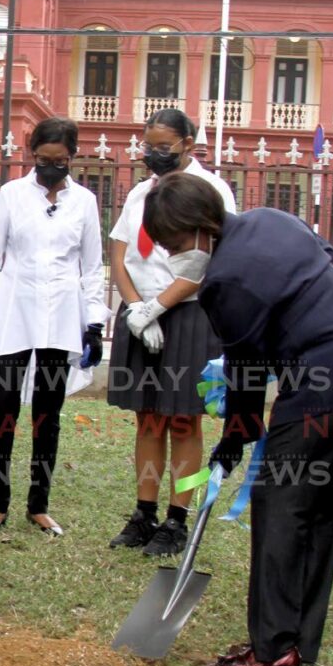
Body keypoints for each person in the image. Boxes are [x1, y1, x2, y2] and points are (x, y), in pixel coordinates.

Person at [142, 172, 333, 666]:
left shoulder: (223, 282)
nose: (174, 255)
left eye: (174, 244)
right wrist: (239, 431)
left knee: (279, 500)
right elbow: (326, 262)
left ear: (200, 226)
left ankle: (273, 645)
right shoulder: (272, 219)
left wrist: (235, 432)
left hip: (328, 378)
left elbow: (245, 368)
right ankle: (297, 641)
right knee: (318, 502)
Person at [0, 117, 109, 538]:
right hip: (12, 312)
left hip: (62, 316)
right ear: (32, 155)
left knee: (48, 415)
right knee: (2, 410)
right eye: (43, 159)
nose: (50, 168)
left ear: (72, 157)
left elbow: (91, 267)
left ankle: (39, 505)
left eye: (59, 161)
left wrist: (94, 323)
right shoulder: (12, 195)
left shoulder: (85, 202)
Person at [107, 108, 238, 556]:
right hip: (140, 315)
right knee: (147, 419)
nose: (153, 154)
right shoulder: (141, 192)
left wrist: (159, 306)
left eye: (163, 147)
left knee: (185, 422)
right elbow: (119, 254)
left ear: (188, 142)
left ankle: (177, 520)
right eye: (148, 146)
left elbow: (209, 262)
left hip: (188, 317)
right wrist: (135, 308)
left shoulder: (212, 189)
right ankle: (144, 514)